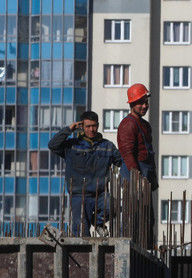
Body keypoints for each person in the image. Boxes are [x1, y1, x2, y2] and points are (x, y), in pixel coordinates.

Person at [48, 110, 123, 236]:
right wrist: (69, 129)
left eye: (94, 126)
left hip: (100, 194)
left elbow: (121, 161)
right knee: (81, 232)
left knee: (113, 206)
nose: (92, 129)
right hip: (79, 195)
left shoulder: (107, 146)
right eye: (88, 126)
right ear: (82, 127)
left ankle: (98, 222)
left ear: (98, 125)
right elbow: (53, 145)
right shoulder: (72, 145)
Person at [116, 83, 157, 243]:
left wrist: (151, 179)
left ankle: (145, 246)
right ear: (132, 104)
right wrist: (136, 176)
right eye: (140, 102)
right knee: (132, 216)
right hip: (134, 173)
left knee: (146, 217)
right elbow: (127, 152)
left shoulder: (144, 125)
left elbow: (148, 153)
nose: (144, 106)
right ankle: (125, 246)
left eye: (146, 102)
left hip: (144, 174)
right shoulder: (128, 124)